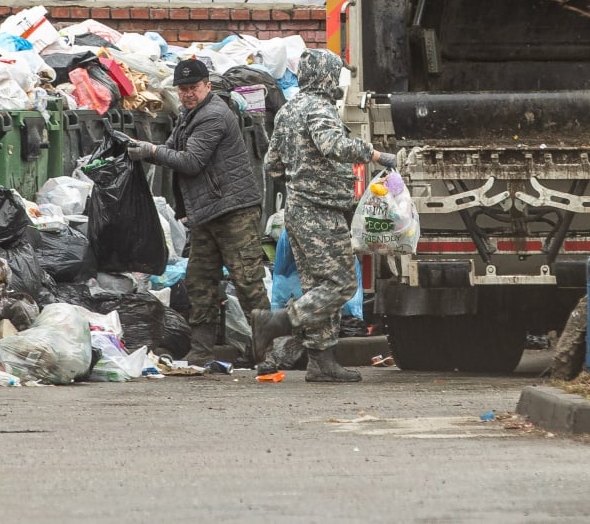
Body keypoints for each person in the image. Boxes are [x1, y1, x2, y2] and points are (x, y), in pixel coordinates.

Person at [252, 49, 395, 383]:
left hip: (298, 211)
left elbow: (272, 164)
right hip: (321, 212)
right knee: (341, 283)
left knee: (319, 285)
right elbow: (331, 144)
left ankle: (321, 362)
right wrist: (372, 153)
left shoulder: (288, 109)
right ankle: (275, 323)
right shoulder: (319, 108)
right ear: (327, 76)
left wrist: (300, 175)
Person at [126, 58, 270, 366]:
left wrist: (150, 152)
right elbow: (172, 148)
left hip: (234, 210)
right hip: (207, 212)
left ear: (207, 86)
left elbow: (191, 161)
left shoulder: (214, 115)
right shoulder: (188, 115)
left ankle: (270, 352)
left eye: (194, 88)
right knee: (200, 281)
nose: (188, 94)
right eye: (183, 89)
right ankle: (202, 351)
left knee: (248, 282)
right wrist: (146, 150)